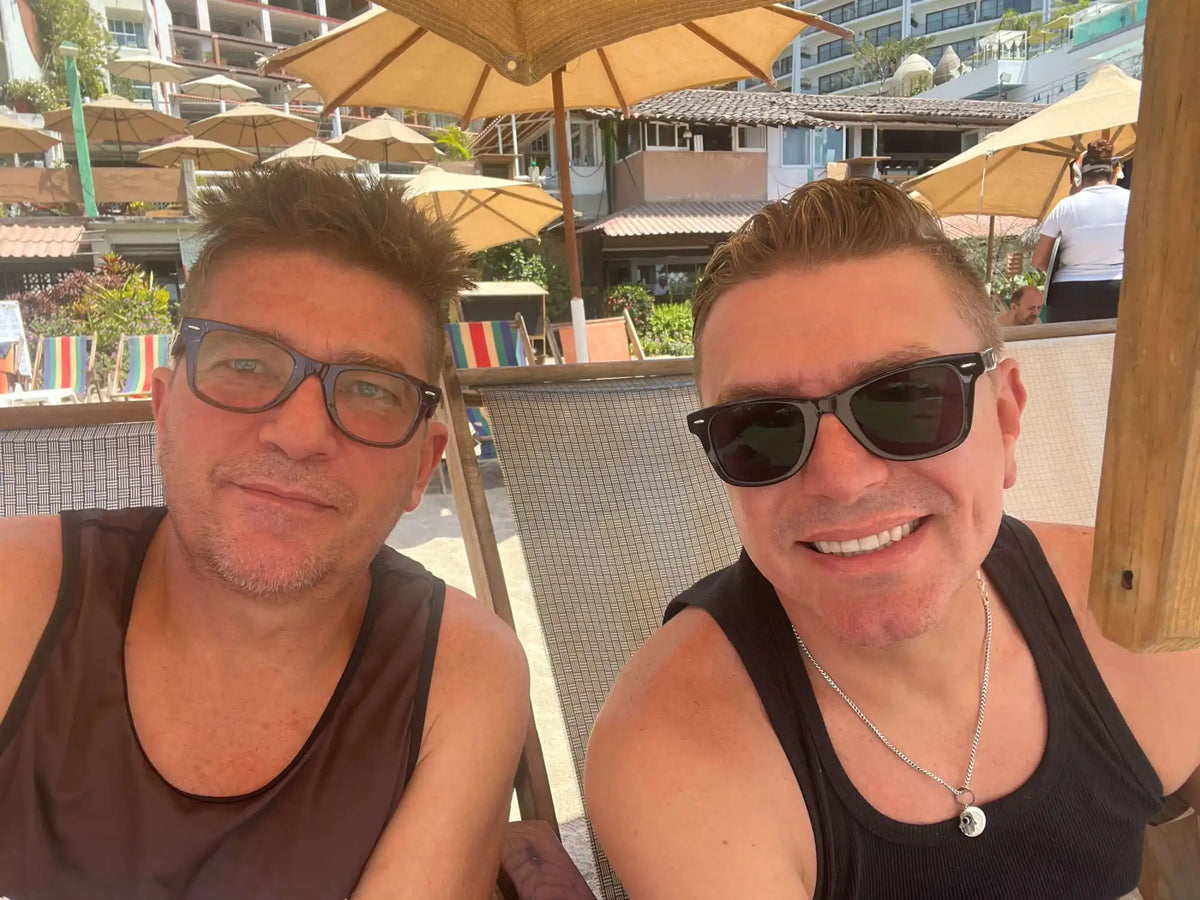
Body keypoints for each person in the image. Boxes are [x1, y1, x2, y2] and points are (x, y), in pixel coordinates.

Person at [585, 178, 1200, 899]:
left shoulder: (1140, 622)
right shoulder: (676, 750)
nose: (842, 481)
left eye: (907, 400)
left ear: (1004, 421)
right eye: (762, 429)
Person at [0, 165, 530, 899]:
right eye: (246, 363)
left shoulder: (459, 672)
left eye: (370, 389)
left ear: (422, 466)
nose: (301, 433)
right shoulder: (16, 596)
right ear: (161, 410)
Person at [1032, 139, 1130, 322]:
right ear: (1114, 172)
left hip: (1070, 295)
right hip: (1121, 289)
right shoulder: (1133, 200)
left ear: (1078, 175)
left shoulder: (1065, 206)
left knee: (1070, 350)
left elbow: (1039, 260)